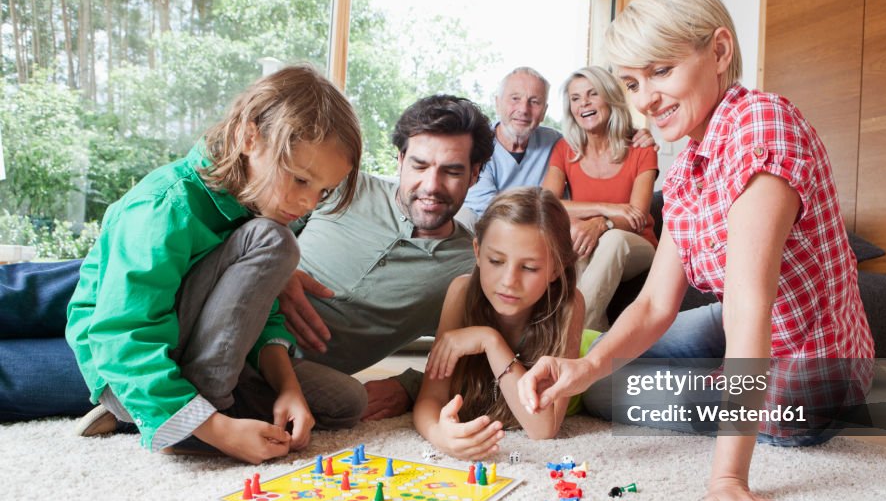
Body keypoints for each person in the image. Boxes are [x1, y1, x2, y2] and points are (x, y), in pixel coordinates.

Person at [518, 0, 874, 501]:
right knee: (601, 363)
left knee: (610, 398)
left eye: (661, 71)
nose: (646, 100)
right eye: (633, 83)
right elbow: (655, 305)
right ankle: (580, 361)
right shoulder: (687, 168)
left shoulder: (763, 126)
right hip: (745, 327)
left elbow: (750, 305)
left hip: (808, 370)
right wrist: (584, 367)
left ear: (720, 51)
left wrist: (729, 479)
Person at [65, 64, 365, 463]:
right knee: (274, 241)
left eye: (323, 191)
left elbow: (258, 314)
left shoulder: (259, 202)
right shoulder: (164, 204)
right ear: (248, 137)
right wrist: (219, 431)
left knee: (347, 401)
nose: (309, 203)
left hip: (209, 357)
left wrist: (288, 388)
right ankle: (190, 419)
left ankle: (173, 416)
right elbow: (122, 335)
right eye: (300, 179)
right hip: (129, 367)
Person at [277, 94, 494, 419]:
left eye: (451, 171)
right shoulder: (343, 185)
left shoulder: (467, 267)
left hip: (298, 372)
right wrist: (276, 273)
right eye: (420, 165)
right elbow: (259, 227)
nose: (431, 186)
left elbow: (490, 361)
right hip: (248, 314)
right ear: (400, 160)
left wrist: (410, 387)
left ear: (474, 175)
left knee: (350, 401)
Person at [414, 187, 584, 459]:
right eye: (495, 261)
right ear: (477, 251)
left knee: (620, 391)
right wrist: (439, 435)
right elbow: (431, 396)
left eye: (528, 268)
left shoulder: (569, 304)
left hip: (589, 353)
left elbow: (542, 428)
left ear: (555, 269)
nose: (508, 281)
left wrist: (490, 341)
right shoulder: (461, 293)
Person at [458, 67, 656, 228]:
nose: (523, 109)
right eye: (515, 98)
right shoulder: (477, 146)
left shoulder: (556, 142)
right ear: (497, 103)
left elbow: (598, 132)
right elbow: (489, 208)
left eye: (534, 102)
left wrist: (635, 133)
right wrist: (604, 209)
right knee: (464, 217)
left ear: (544, 111)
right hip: (494, 223)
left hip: (544, 230)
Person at [542, 66, 659, 330]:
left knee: (612, 240)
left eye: (592, 94)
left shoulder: (641, 148)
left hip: (636, 244)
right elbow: (547, 205)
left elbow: (638, 217)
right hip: (589, 241)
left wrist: (602, 223)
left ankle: (568, 335)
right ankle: (594, 336)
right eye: (575, 98)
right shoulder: (565, 149)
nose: (583, 103)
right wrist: (605, 209)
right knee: (576, 239)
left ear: (609, 97)